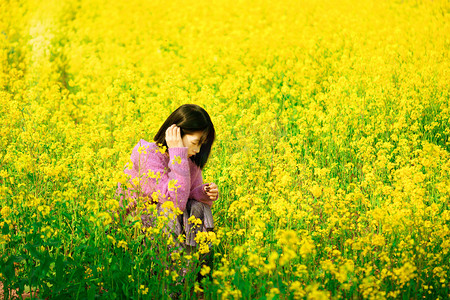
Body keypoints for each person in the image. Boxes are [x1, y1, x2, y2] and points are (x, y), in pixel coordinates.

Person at [116, 103, 218, 253]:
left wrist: (203, 193)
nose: (197, 150)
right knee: (168, 211)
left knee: (199, 207)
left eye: (201, 145)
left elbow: (186, 195)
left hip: (164, 225)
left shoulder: (190, 161)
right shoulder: (147, 153)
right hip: (134, 227)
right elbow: (175, 203)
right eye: (195, 143)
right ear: (175, 133)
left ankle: (198, 265)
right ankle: (175, 271)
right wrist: (178, 152)